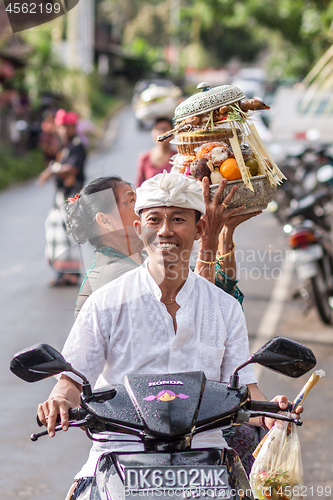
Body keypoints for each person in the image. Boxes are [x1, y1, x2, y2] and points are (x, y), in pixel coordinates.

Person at [38, 172, 300, 500]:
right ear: (138, 228)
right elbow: (72, 379)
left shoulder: (225, 307)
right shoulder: (105, 303)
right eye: (154, 219)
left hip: (207, 458)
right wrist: (60, 399)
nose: (165, 230)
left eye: (177, 219)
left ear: (200, 228)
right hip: (122, 453)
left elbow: (244, 387)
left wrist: (272, 410)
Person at [66, 175, 258, 317]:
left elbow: (219, 289)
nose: (140, 204)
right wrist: (208, 240)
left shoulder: (143, 262)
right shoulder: (115, 274)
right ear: (106, 221)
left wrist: (224, 233)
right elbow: (198, 317)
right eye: (131, 200)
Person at [38, 110, 87, 287]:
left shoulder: (77, 145)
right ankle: (61, 273)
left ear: (74, 127)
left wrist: (50, 172)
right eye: (62, 127)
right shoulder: (64, 147)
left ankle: (72, 274)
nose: (65, 130)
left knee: (69, 235)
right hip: (61, 195)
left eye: (68, 126)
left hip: (71, 196)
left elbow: (72, 169)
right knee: (57, 234)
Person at [135, 117, 174, 187]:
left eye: (165, 129)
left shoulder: (178, 157)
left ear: (173, 134)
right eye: (158, 129)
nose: (161, 133)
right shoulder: (144, 158)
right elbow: (139, 187)